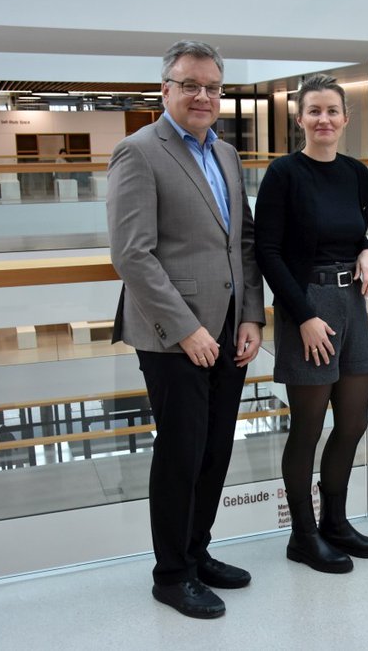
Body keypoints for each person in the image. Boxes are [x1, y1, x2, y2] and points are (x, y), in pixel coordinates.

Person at [106, 40, 265, 619]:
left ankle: (196, 552)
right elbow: (133, 255)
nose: (202, 95)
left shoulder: (224, 152)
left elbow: (242, 241)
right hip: (174, 338)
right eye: (190, 84)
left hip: (229, 329)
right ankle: (171, 574)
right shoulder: (138, 152)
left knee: (217, 449)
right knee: (181, 452)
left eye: (212, 87)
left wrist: (251, 314)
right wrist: (186, 330)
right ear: (165, 90)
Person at [255, 74, 368, 575]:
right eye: (314, 111)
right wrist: (303, 315)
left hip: (352, 303)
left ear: (346, 118)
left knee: (352, 423)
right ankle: (303, 535)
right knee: (308, 428)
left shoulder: (356, 172)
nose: (324, 119)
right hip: (306, 303)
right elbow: (267, 251)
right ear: (299, 118)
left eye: (332, 111)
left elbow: (357, 231)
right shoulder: (284, 173)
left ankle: (336, 523)